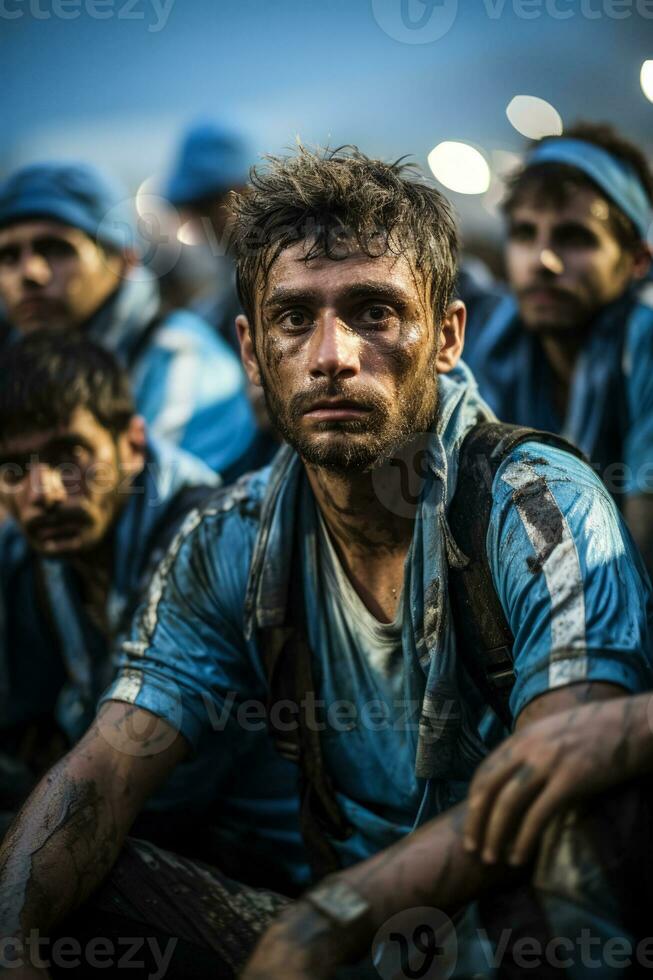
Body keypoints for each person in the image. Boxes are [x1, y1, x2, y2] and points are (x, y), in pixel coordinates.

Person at [1, 147, 653, 980]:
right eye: (293, 318)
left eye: (374, 312)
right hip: (339, 936)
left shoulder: (534, 506)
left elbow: (567, 764)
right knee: (72, 859)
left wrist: (324, 924)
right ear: (250, 347)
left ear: (447, 335)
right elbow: (104, 770)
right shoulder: (229, 538)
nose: (331, 354)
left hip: (509, 937)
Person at [0, 333, 219, 834]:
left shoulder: (202, 539)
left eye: (69, 458)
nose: (45, 493)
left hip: (236, 845)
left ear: (133, 445)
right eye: (12, 469)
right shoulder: (31, 557)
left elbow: (166, 784)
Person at [462, 122, 653, 576]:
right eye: (525, 234)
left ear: (636, 262)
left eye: (574, 237)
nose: (542, 261)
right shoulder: (487, 338)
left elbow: (644, 557)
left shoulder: (644, 340)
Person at [0, 161, 260, 480]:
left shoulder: (183, 362)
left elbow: (151, 512)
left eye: (56, 249)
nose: (30, 273)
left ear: (125, 259)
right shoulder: (15, 359)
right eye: (9, 256)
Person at [162, 120, 250, 353]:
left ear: (247, 191)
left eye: (206, 206)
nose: (201, 223)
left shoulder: (296, 273)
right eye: (193, 210)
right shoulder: (218, 308)